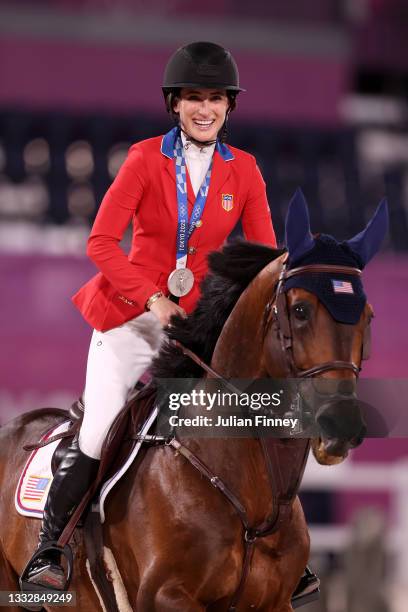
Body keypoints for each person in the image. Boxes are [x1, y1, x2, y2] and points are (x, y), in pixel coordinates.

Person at [24, 42, 318, 604]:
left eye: (214, 99)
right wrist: (153, 299)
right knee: (99, 426)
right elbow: (101, 242)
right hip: (132, 319)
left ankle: (279, 545)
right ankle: (51, 548)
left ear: (228, 107)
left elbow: (260, 256)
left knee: (260, 415)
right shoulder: (143, 160)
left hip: (200, 327)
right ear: (174, 105)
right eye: (192, 99)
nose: (203, 109)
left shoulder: (244, 169)